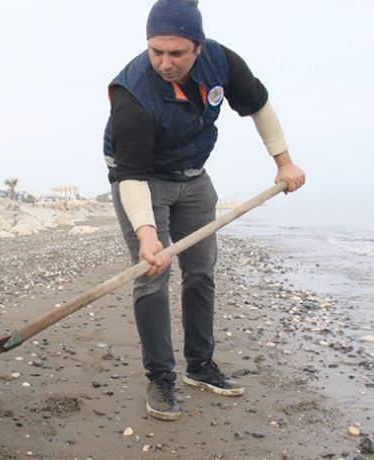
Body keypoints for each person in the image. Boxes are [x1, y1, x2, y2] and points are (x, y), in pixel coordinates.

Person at [103, 0, 305, 421]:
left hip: (194, 175)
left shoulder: (221, 61)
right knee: (152, 277)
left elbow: (258, 106)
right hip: (142, 180)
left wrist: (283, 163)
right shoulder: (132, 94)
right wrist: (147, 237)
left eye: (176, 53)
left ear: (198, 46)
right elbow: (133, 176)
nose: (164, 62)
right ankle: (161, 376)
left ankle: (201, 365)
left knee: (200, 271)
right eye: (156, 51)